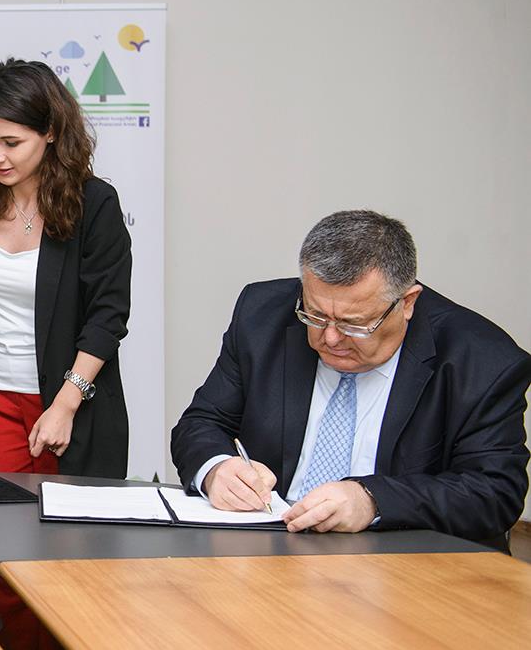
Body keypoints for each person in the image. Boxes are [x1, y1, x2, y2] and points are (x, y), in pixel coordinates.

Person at [171, 210, 530, 546]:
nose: (329, 338)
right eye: (315, 315)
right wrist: (216, 469)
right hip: (269, 547)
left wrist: (372, 500)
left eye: (354, 324)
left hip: (406, 560)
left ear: (407, 303)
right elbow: (201, 423)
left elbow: (494, 492)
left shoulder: (482, 360)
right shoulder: (261, 315)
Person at [0, 58, 133, 479]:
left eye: (11, 142)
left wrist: (66, 404)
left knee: (72, 521)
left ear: (50, 132)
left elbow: (107, 317)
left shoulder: (94, 205)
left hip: (73, 402)